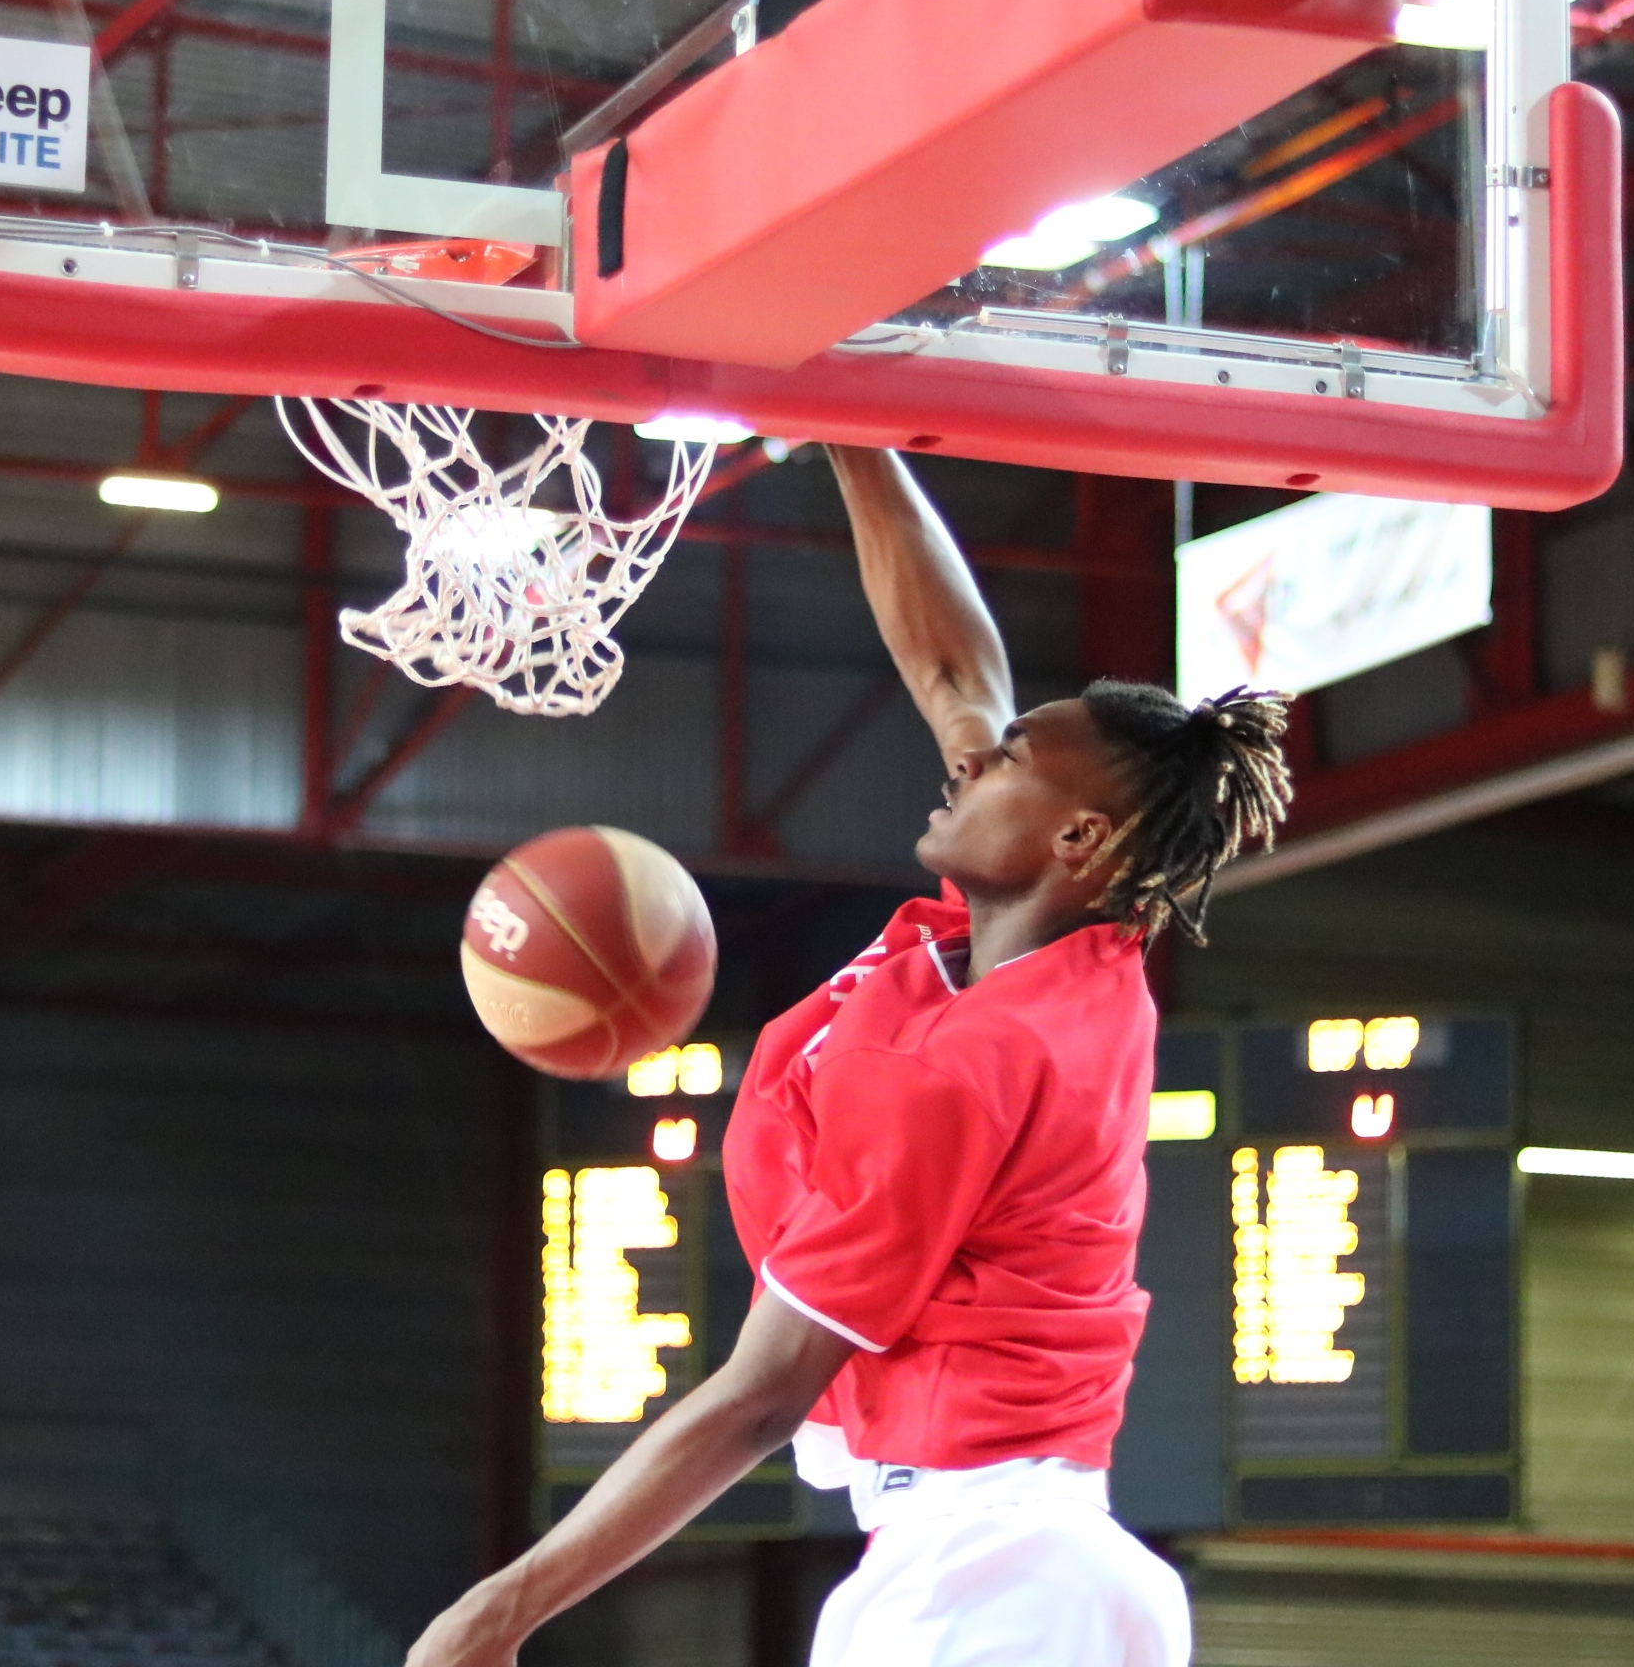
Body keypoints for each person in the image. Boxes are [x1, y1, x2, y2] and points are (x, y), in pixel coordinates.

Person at [405, 447, 1293, 1667]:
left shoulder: (974, 1060)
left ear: (1077, 836)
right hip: (990, 1560)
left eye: (1014, 758)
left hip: (1003, 1572)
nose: (975, 756)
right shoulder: (1039, 946)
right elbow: (952, 668)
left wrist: (495, 1615)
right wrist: (846, 431)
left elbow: (764, 1393)